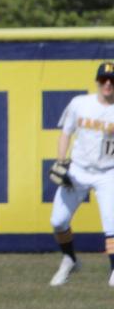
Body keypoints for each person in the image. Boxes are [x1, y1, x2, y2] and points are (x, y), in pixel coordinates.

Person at [49, 61, 114, 287]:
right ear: (97, 81)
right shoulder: (80, 104)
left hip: (108, 172)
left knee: (112, 224)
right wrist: (61, 162)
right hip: (78, 169)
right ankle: (70, 259)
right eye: (103, 79)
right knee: (58, 221)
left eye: (112, 80)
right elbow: (65, 134)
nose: (107, 84)